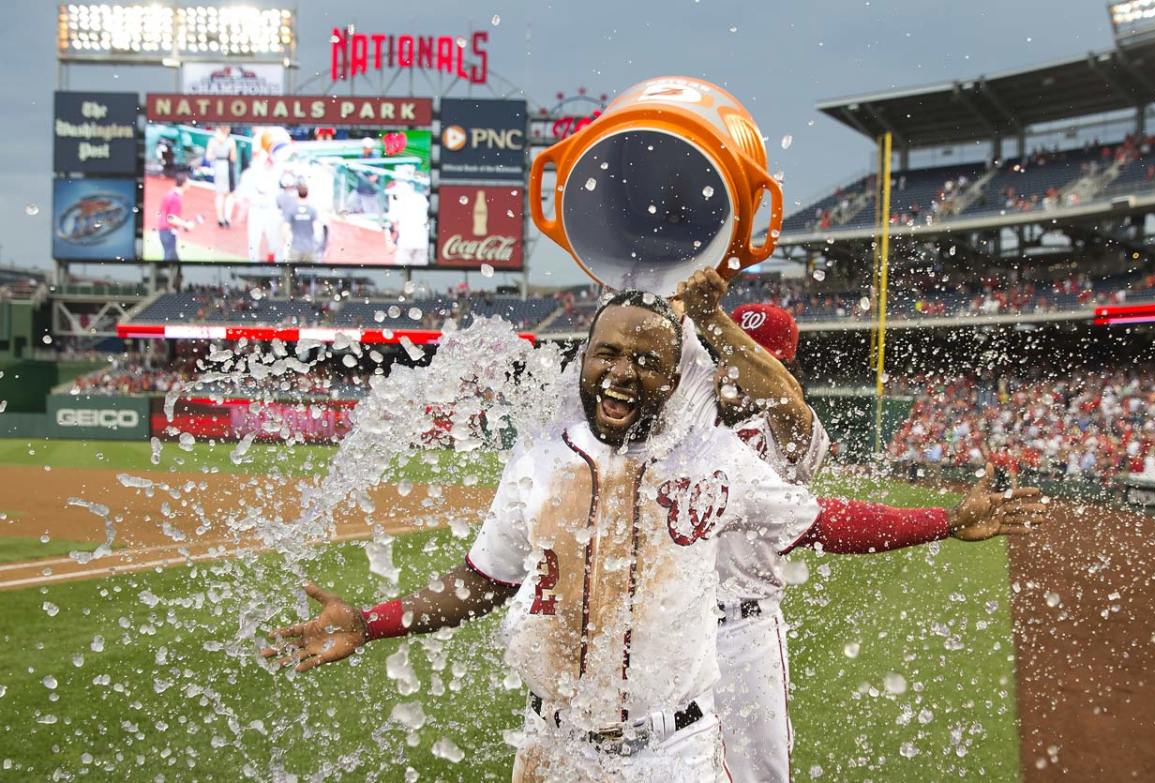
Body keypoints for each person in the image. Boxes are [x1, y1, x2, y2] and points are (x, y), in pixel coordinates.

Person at [263, 290, 825, 781]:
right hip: (560, 735)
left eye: (645, 360)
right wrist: (369, 621)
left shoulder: (735, 446)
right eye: (606, 353)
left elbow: (822, 515)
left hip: (710, 674)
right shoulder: (557, 455)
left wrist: (919, 523)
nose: (621, 371)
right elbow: (485, 578)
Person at [676, 268, 1049, 783]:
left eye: (751, 357)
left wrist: (711, 320)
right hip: (676, 627)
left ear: (782, 366)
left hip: (743, 632)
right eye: (729, 359)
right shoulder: (690, 425)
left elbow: (782, 395)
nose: (734, 372)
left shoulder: (793, 431)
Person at [156, 170, 193, 262]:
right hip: (169, 232)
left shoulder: (169, 194)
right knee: (169, 259)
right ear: (183, 184)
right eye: (188, 183)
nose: (190, 185)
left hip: (163, 231)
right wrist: (185, 224)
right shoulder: (176, 198)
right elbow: (171, 218)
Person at [205, 125, 236, 228]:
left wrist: (217, 157)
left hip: (218, 166)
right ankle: (227, 217)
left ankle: (220, 218)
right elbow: (233, 157)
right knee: (229, 194)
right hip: (227, 166)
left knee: (219, 194)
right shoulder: (230, 141)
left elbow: (208, 157)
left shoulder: (212, 140)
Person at [281, 184, 321, 264]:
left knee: (292, 273)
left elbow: (285, 229)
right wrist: (317, 244)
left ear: (297, 194)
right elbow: (317, 229)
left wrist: (284, 244)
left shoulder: (292, 210)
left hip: (295, 247)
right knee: (311, 273)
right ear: (308, 194)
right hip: (310, 248)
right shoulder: (312, 210)